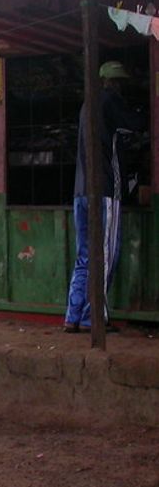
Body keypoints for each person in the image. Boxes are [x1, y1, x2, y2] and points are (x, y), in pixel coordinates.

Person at [64, 60, 147, 333]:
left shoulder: (86, 105)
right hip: (104, 192)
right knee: (106, 255)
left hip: (80, 192)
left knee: (84, 257)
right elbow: (136, 126)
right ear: (117, 83)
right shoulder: (111, 102)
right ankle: (93, 319)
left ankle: (72, 316)